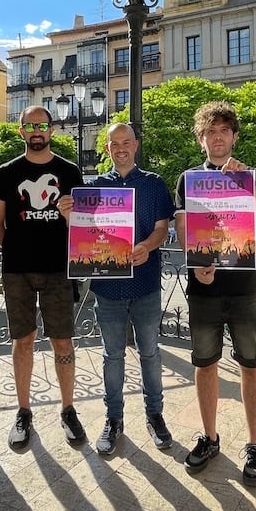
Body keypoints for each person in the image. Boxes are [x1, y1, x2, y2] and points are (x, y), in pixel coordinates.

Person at [174, 101, 256, 485]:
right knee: (205, 364)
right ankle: (210, 436)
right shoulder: (188, 179)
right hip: (203, 288)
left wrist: (243, 182)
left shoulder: (251, 174)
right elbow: (184, 229)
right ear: (202, 139)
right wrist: (194, 262)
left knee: (252, 365)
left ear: (233, 136)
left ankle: (253, 444)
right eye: (209, 132)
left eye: (223, 132)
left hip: (245, 287)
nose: (217, 138)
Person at [65, 122, 175, 456]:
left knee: (150, 353)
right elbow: (86, 235)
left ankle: (155, 414)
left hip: (145, 284)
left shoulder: (154, 184)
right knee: (112, 355)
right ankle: (114, 419)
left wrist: (147, 245)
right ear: (108, 149)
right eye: (115, 143)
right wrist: (69, 217)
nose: (121, 148)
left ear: (136, 145)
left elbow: (161, 229)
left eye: (126, 142)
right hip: (107, 287)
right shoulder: (94, 187)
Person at [0, 105, 85, 448]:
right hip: (18, 270)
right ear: (21, 131)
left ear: (52, 130)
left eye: (42, 125)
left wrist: (71, 217)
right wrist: (16, 246)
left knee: (62, 340)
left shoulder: (70, 171)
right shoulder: (6, 172)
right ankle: (24, 410)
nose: (37, 130)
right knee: (23, 340)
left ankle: (68, 408)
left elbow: (84, 225)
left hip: (60, 269)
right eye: (30, 125)